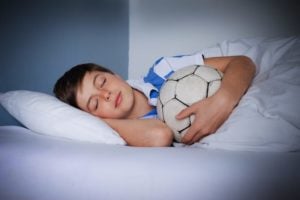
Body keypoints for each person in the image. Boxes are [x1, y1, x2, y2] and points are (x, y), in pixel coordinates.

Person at [53, 53, 256, 147]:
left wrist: (223, 100)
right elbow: (160, 136)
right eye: (95, 104)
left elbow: (241, 62)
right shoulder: (131, 131)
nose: (105, 94)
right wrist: (100, 122)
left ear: (114, 73)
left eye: (102, 81)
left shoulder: (163, 70)